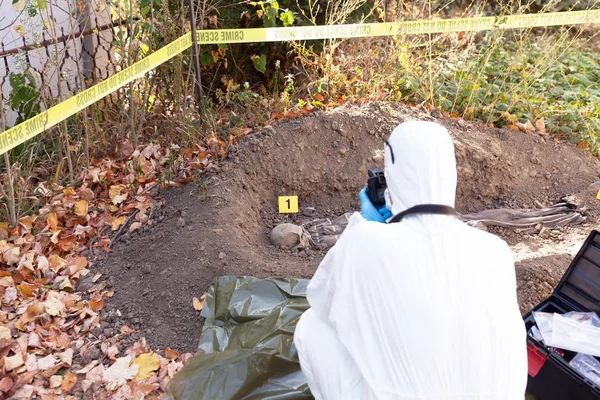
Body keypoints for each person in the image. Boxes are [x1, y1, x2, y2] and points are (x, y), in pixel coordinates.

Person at [293, 120, 527, 399]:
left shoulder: (365, 241)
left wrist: (362, 227)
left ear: (393, 174)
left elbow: (321, 301)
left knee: (310, 327)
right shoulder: (495, 250)